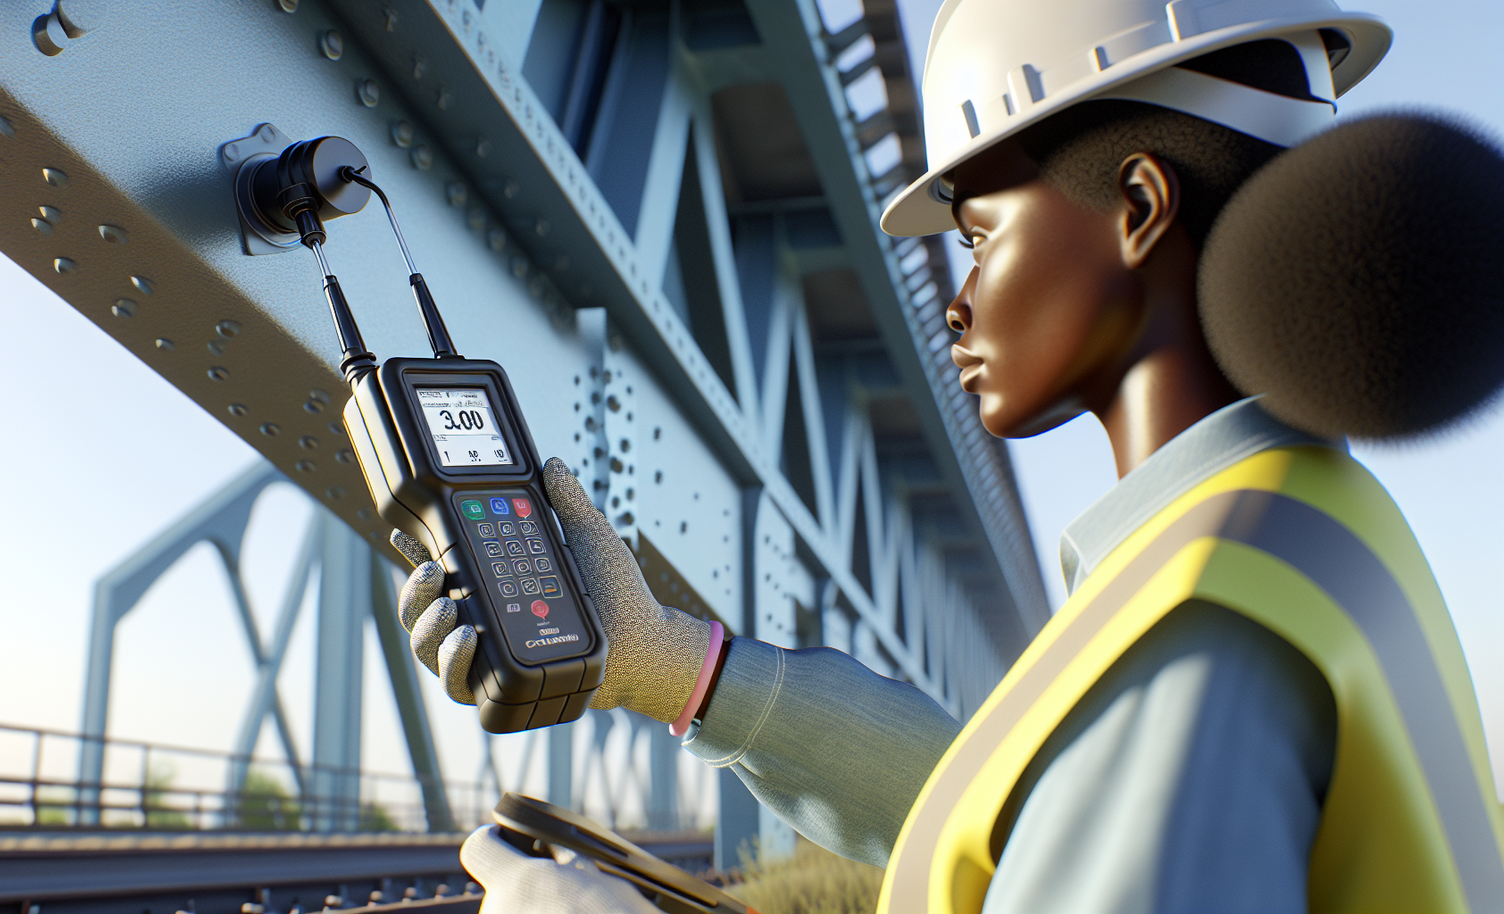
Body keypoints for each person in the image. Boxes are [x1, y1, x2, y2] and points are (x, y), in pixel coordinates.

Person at [393, 0, 1504, 910]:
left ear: (1136, 207)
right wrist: (670, 661)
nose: (959, 306)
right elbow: (1023, 814)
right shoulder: (1309, 529)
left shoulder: (1198, 627)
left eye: (979, 236)